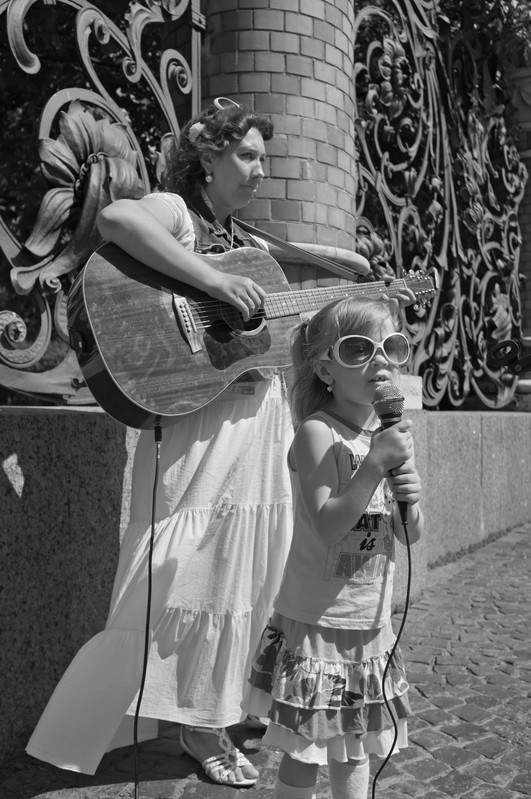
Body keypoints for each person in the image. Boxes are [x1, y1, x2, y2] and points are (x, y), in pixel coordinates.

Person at [26, 98, 299, 786]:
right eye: (248, 155)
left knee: (241, 569)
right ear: (208, 158)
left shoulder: (248, 241)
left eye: (264, 158)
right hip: (197, 422)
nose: (261, 170)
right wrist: (212, 280)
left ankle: (213, 711)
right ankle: (189, 722)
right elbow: (115, 219)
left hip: (255, 418)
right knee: (183, 567)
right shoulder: (180, 215)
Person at [242, 295, 424, 799]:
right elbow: (327, 525)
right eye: (359, 348)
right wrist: (372, 467)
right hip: (318, 624)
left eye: (391, 346)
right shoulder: (316, 433)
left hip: (370, 623)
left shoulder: (386, 434)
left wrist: (408, 496)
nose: (381, 360)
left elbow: (408, 533)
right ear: (325, 369)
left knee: (357, 749)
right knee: (306, 750)